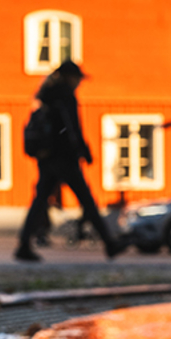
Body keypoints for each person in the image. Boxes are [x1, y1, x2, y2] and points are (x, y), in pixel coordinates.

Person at [15, 61, 129, 261]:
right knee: (86, 200)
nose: (79, 83)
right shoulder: (65, 95)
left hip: (47, 158)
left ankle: (24, 244)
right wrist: (83, 150)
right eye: (77, 79)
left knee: (40, 201)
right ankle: (109, 244)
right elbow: (71, 126)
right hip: (65, 157)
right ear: (70, 77)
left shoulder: (46, 94)